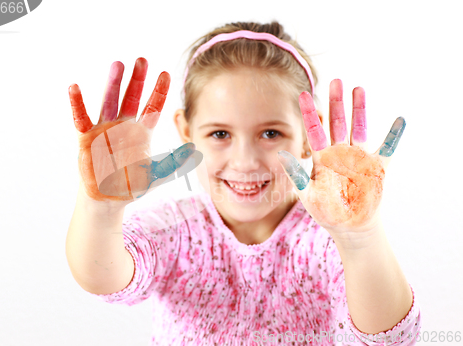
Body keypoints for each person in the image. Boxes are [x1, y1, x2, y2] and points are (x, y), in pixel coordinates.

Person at [65, 21, 421, 345]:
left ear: (309, 137)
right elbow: (103, 278)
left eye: (271, 133)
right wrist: (99, 208)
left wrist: (359, 239)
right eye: (220, 133)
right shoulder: (175, 229)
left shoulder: (326, 239)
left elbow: (392, 337)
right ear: (186, 131)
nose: (245, 161)